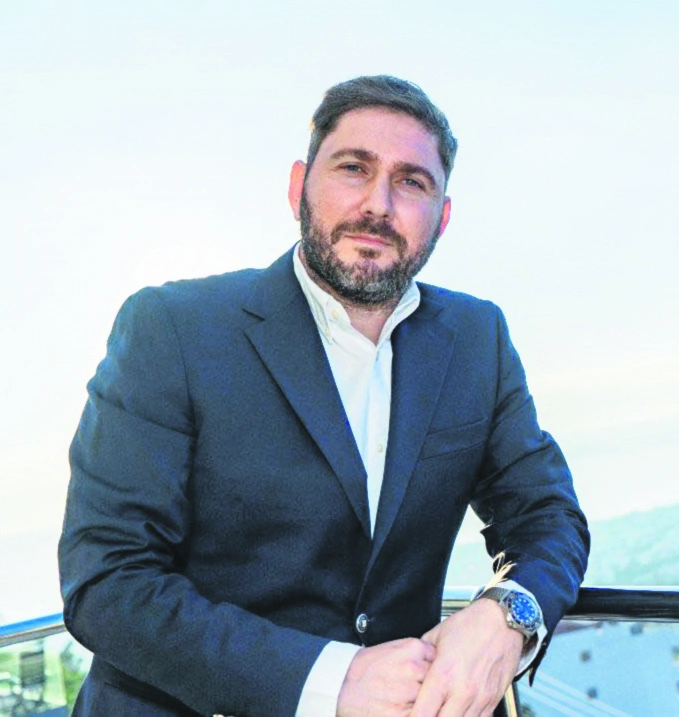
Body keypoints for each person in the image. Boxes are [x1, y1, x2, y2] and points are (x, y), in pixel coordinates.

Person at [59, 75, 589, 716]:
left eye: (412, 182)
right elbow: (107, 581)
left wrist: (510, 613)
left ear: (443, 217)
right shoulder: (172, 328)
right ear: (298, 187)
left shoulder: (477, 338)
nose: (378, 204)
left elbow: (547, 516)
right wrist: (332, 680)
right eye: (353, 168)